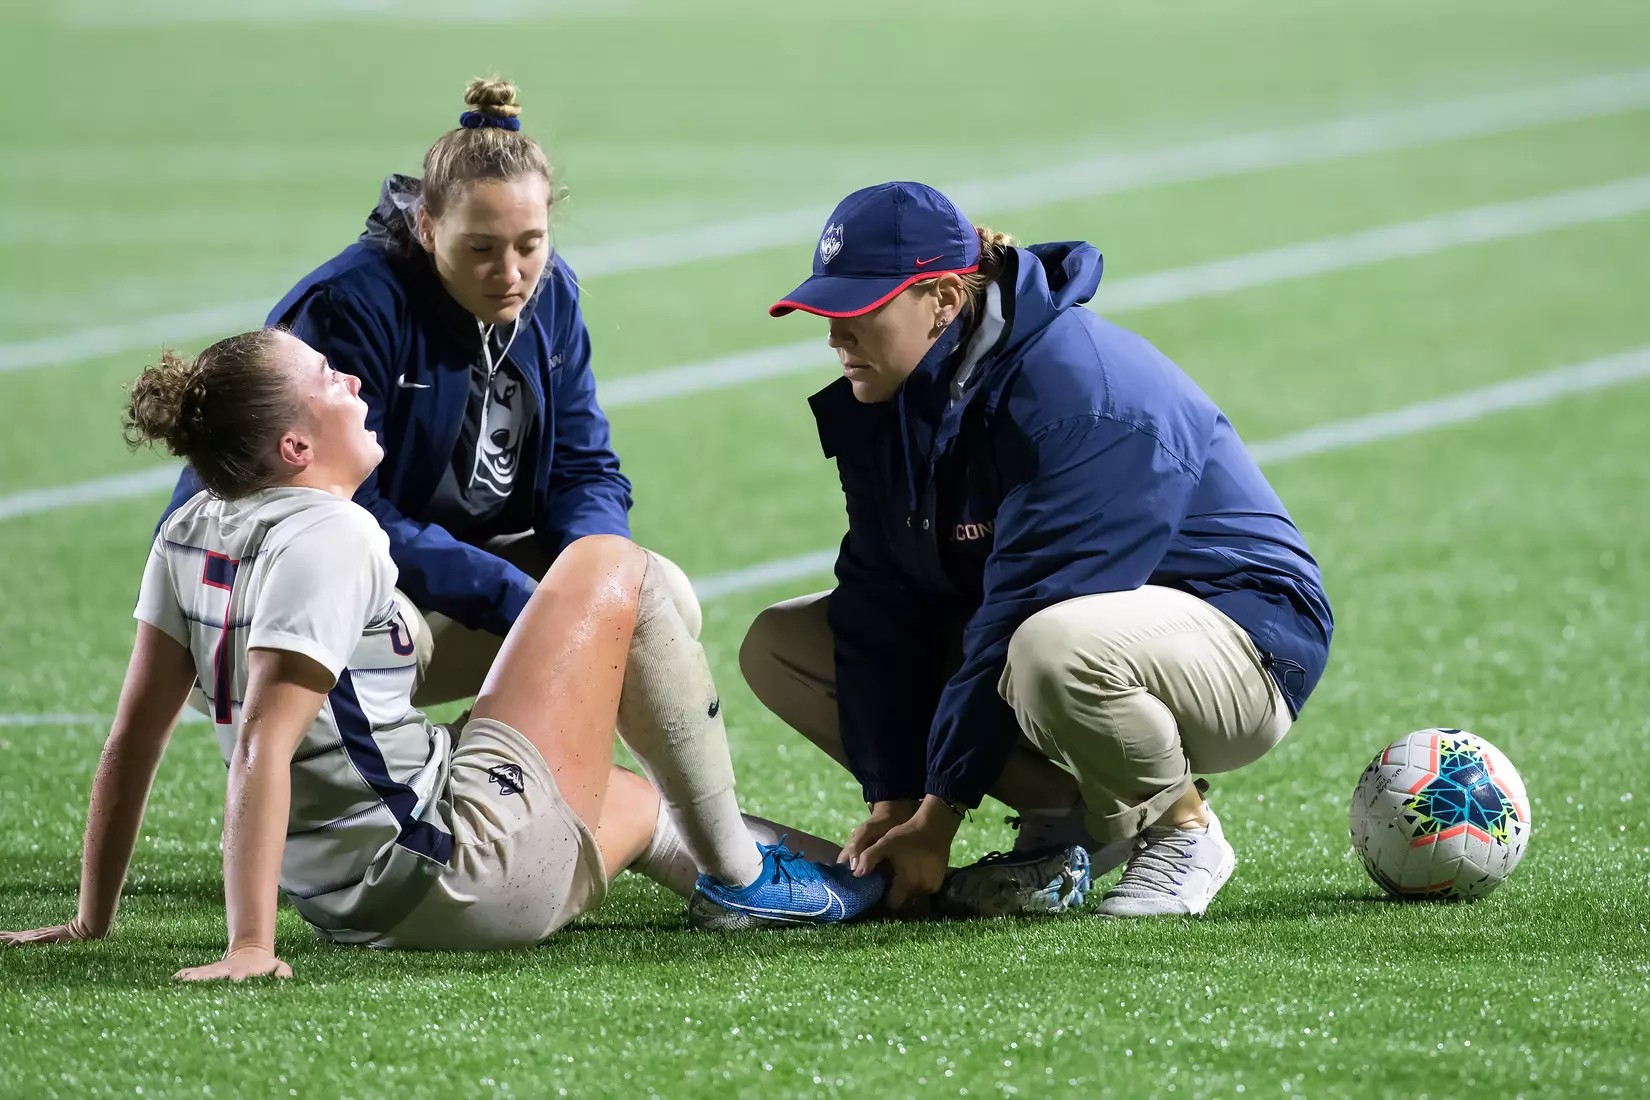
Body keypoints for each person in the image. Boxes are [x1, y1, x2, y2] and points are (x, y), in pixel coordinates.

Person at [0, 330, 883, 980]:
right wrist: (250, 948)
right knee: (618, 570)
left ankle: (872, 881)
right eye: (325, 379)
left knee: (645, 807)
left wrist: (92, 920)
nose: (349, 378)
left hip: (360, 901)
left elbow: (132, 740)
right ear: (296, 448)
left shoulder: (191, 527)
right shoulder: (333, 537)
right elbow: (267, 742)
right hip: (457, 867)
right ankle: (739, 876)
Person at [741, 181, 1334, 918]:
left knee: (1050, 645)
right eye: (827, 309)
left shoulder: (1076, 393)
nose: (834, 333)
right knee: (782, 643)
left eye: (859, 308)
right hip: (1067, 626)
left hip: (1246, 639)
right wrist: (894, 801)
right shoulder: (891, 395)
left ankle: (1181, 833)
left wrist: (940, 817)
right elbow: (881, 600)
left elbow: (1025, 609)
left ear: (945, 300)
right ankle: (1064, 821)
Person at [159, 76, 698, 707]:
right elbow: (351, 513)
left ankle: (529, 794)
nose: (510, 274)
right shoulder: (349, 309)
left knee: (648, 598)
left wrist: (594, 576)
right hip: (274, 600)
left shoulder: (551, 293)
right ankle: (428, 791)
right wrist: (521, 601)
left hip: (415, 578)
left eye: (531, 245)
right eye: (480, 248)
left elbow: (584, 469)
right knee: (397, 635)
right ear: (425, 225)